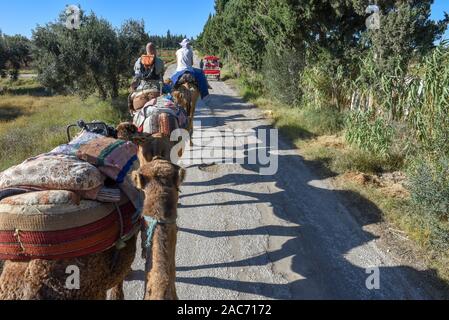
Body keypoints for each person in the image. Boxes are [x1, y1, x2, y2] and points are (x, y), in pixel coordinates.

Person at [128, 43, 165, 114]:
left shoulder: (139, 61)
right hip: (157, 88)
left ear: (146, 50)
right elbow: (161, 75)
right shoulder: (160, 61)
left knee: (130, 97)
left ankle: (132, 113)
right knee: (169, 96)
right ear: (155, 50)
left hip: (142, 88)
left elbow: (137, 76)